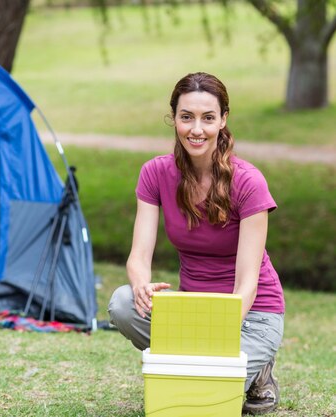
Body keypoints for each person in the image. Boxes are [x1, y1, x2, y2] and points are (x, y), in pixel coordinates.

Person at [108, 72, 285, 415]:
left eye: (208, 118)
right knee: (122, 303)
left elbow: (248, 282)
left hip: (251, 316)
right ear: (173, 118)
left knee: (200, 402)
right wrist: (141, 285)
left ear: (223, 120)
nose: (196, 129)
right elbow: (138, 257)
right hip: (193, 311)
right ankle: (211, 360)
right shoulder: (155, 173)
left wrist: (217, 329)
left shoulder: (249, 181)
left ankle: (255, 367)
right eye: (186, 117)